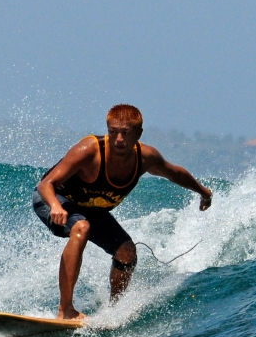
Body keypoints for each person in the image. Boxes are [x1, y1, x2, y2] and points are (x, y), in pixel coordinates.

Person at [34, 104, 213, 320]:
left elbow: (173, 173)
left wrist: (203, 192)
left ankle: (114, 310)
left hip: (92, 209)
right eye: (113, 132)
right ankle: (65, 310)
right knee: (82, 226)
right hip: (54, 199)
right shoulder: (89, 151)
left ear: (138, 133)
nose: (118, 139)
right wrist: (55, 205)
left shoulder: (145, 158)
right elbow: (46, 184)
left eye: (125, 133)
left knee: (127, 251)